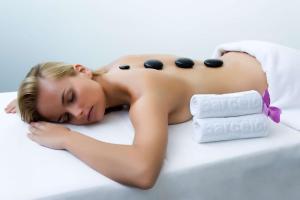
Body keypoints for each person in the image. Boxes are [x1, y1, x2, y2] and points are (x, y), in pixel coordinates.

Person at [4, 51, 268, 189]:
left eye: (70, 97)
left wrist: (66, 137)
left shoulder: (145, 94)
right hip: (244, 56)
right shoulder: (118, 67)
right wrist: (36, 100)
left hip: (276, 76)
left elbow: (142, 171)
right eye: (64, 117)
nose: (77, 113)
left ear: (81, 70)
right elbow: (87, 80)